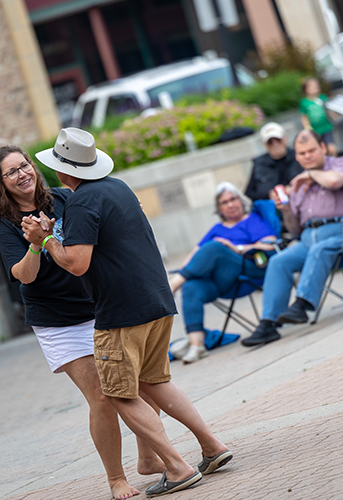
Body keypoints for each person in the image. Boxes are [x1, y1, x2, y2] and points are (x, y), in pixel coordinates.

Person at [23, 128, 232, 497]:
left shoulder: (82, 202)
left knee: (118, 393)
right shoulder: (118, 186)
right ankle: (212, 447)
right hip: (157, 300)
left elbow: (76, 263)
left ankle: (178, 468)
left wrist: (45, 240)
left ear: (62, 170)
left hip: (120, 312)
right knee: (156, 382)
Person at [0, 145, 164, 500]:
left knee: (142, 382)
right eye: (12, 172)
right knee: (102, 396)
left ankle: (148, 456)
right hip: (58, 323)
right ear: (0, 183)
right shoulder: (5, 225)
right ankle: (116, 479)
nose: (22, 174)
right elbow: (24, 276)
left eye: (25, 166)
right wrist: (36, 244)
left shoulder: (65, 199)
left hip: (98, 306)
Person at [242, 130, 343, 346]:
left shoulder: (337, 164)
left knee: (320, 249)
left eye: (312, 151)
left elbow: (335, 181)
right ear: (296, 156)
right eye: (302, 153)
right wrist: (286, 210)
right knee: (279, 261)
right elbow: (295, 230)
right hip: (308, 237)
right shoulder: (297, 186)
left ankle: (302, 304)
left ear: (323, 148)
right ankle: (268, 323)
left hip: (338, 232)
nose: (307, 156)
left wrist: (310, 174)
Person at [168, 183, 276, 363]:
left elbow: (271, 244)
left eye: (233, 199)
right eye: (224, 202)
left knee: (216, 247)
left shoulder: (252, 220)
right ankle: (197, 346)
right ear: (219, 208)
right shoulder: (217, 228)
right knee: (191, 287)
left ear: (241, 201)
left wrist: (236, 248)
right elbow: (195, 253)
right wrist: (183, 271)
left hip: (248, 272)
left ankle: (170, 287)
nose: (230, 204)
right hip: (220, 283)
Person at [245, 122, 303, 201]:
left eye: (278, 140)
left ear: (285, 139)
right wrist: (269, 195)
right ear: (264, 144)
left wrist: (293, 189)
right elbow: (249, 194)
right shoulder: (259, 164)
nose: (275, 144)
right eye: (270, 142)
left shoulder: (299, 156)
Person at [299, 77, 337, 157]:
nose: (315, 88)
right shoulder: (304, 102)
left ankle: (336, 164)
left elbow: (329, 110)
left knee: (332, 148)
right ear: (305, 89)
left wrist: (335, 117)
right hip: (315, 131)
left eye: (316, 86)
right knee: (322, 151)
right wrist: (307, 128)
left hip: (326, 128)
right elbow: (304, 117)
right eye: (312, 86)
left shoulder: (323, 97)